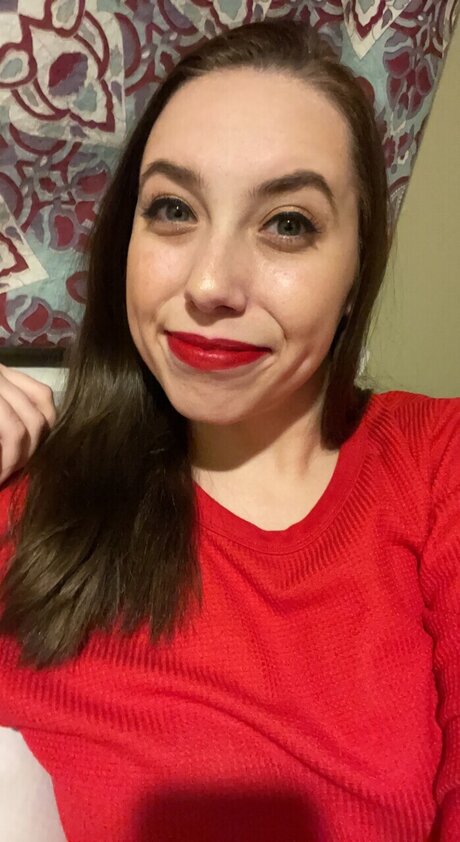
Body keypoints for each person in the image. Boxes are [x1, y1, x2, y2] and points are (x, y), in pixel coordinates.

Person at [0, 17, 458, 842]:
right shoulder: (35, 511)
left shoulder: (435, 461)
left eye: (288, 223)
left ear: (357, 269)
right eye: (173, 210)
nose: (212, 283)